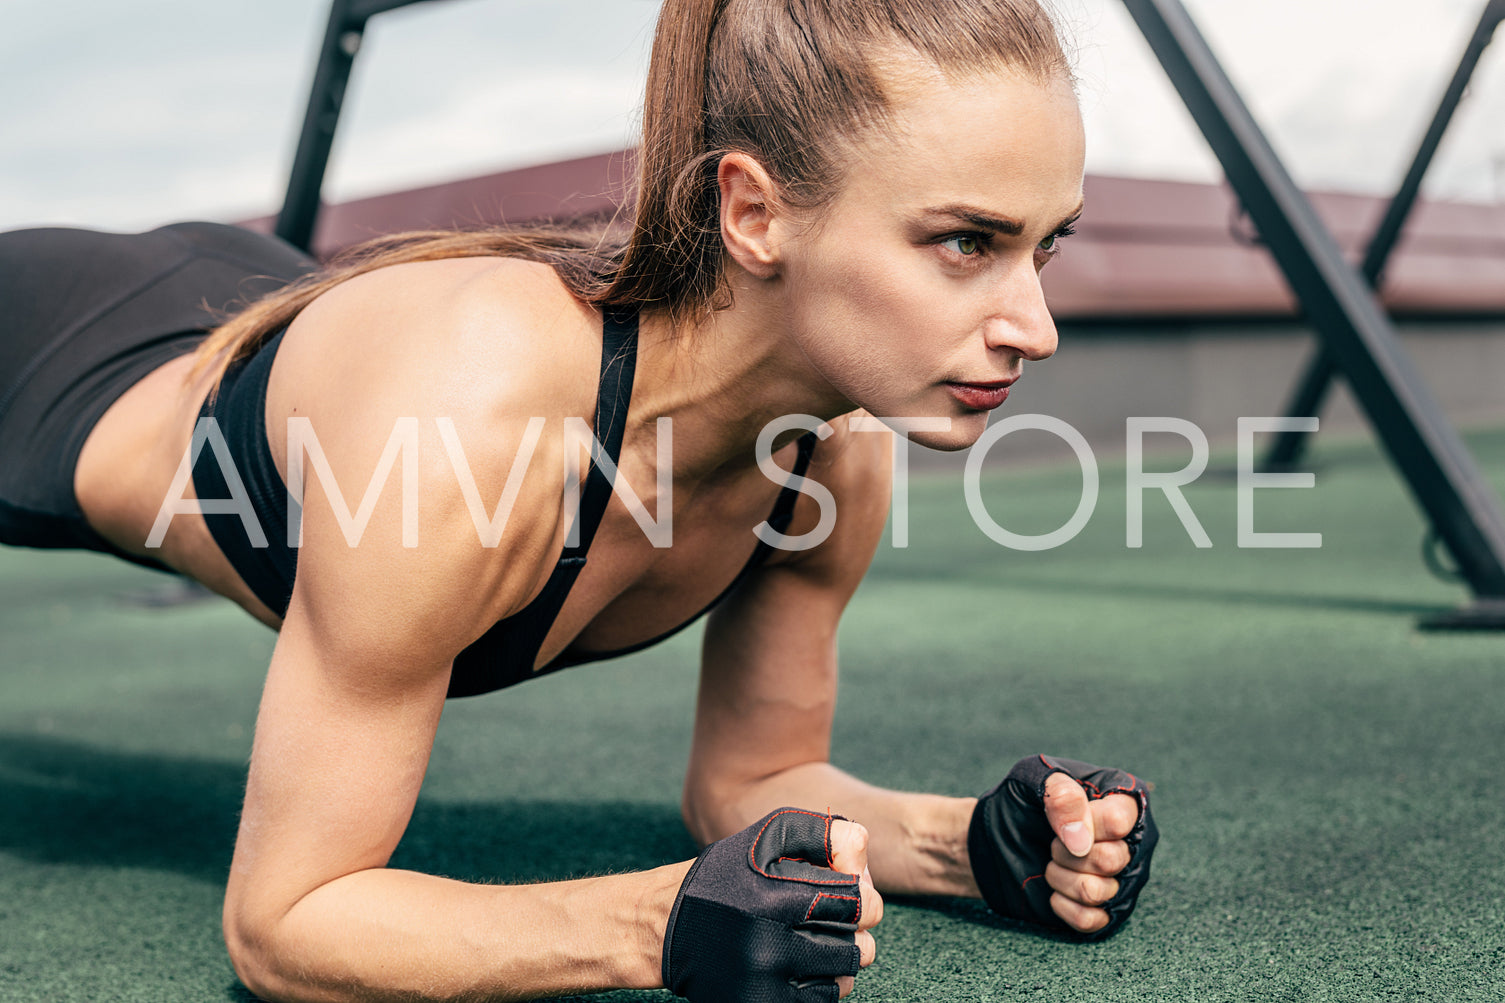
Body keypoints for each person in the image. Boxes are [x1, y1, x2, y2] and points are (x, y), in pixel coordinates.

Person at [0, 0, 1159, 999]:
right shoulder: (468, 423)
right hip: (53, 350)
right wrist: (650, 924)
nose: (1035, 327)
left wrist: (969, 846)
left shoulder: (831, 460)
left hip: (270, 302)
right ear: (753, 215)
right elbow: (285, 918)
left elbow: (745, 784)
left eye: (1043, 248)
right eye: (966, 242)